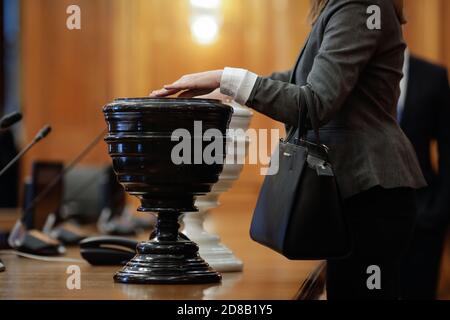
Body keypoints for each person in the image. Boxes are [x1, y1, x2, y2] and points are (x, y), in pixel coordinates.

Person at [150, 0, 426, 300]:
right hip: (360, 192)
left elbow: (314, 103)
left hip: (370, 193)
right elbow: (302, 81)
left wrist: (228, 78)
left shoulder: (360, 5)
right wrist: (228, 89)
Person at [398, 51, 450, 300]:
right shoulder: (359, 74)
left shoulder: (433, 76)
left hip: (424, 219)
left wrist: (439, 210)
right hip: (367, 225)